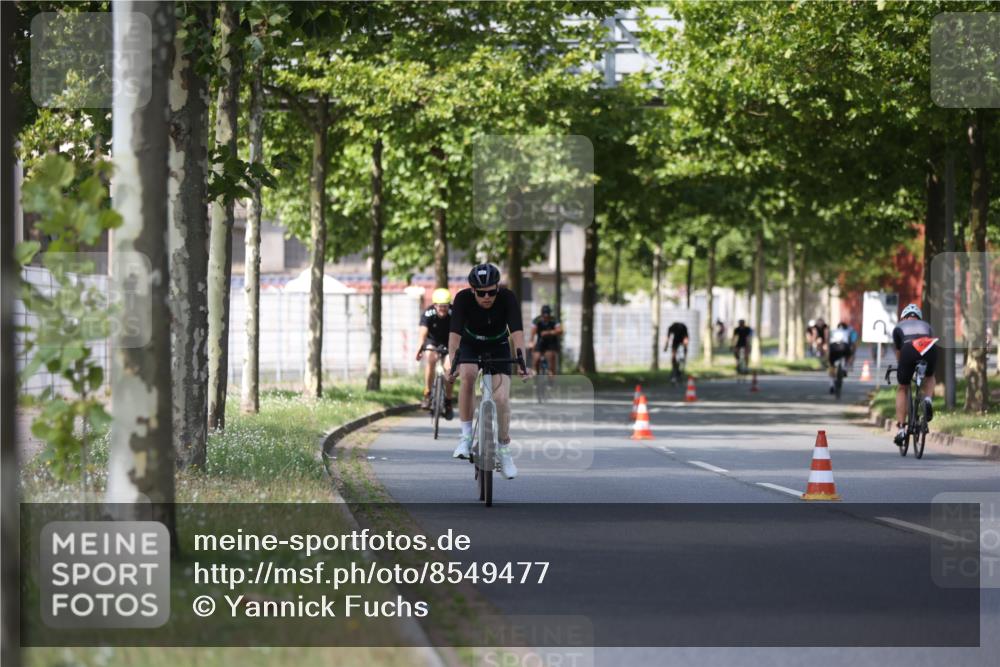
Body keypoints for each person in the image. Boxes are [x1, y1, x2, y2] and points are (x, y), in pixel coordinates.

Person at [446, 263, 529, 479]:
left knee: (501, 398)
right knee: (468, 375)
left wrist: (523, 363)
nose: (487, 297)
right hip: (470, 344)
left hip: (498, 345)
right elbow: (454, 337)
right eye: (481, 293)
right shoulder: (462, 299)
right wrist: (453, 364)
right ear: (472, 290)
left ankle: (504, 449)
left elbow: (517, 334)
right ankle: (465, 438)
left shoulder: (507, 298)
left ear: (497, 288)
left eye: (491, 292)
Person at [891, 304, 938, 446]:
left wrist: (902, 368)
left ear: (904, 317)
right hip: (929, 347)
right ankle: (927, 400)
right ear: (919, 318)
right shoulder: (927, 325)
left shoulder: (899, 327)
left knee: (902, 388)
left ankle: (901, 429)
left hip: (908, 348)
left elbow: (899, 353)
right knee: (930, 376)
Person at [415, 287, 454, 418]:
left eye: (445, 306)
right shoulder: (428, 313)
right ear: (435, 305)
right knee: (431, 358)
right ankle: (427, 394)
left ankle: (448, 401)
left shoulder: (454, 313)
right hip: (433, 341)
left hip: (449, 343)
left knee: (449, 369)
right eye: (440, 306)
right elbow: (422, 333)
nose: (443, 309)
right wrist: (419, 349)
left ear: (449, 305)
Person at [530, 305, 562, 377]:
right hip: (540, 341)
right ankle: (536, 375)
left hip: (551, 343)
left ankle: (551, 376)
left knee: (550, 358)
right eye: (544, 316)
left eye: (547, 315)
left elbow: (560, 331)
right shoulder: (536, 320)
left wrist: (549, 332)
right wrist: (531, 342)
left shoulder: (554, 320)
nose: (546, 317)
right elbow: (533, 332)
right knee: (536, 358)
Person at [827, 322, 855, 393]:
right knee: (849, 356)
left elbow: (828, 341)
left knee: (832, 366)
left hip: (833, 347)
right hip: (844, 347)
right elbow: (851, 343)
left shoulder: (833, 331)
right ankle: (845, 368)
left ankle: (831, 385)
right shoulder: (848, 331)